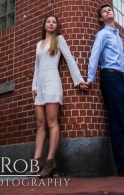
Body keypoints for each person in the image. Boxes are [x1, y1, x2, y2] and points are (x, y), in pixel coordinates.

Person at [86, 4, 124, 177]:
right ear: (101, 19)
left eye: (110, 10)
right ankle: (122, 166)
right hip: (110, 77)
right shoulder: (102, 34)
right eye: (104, 12)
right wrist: (90, 79)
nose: (108, 12)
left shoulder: (119, 38)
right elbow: (94, 56)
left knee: (122, 121)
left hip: (120, 78)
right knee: (116, 121)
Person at [32, 15, 88, 177]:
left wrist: (78, 80)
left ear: (56, 26)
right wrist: (33, 86)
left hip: (52, 83)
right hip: (39, 86)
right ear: (44, 25)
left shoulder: (59, 40)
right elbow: (36, 67)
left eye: (54, 22)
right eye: (48, 21)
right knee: (40, 123)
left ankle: (50, 162)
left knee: (51, 122)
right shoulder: (38, 44)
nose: (51, 24)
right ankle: (37, 161)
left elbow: (69, 59)